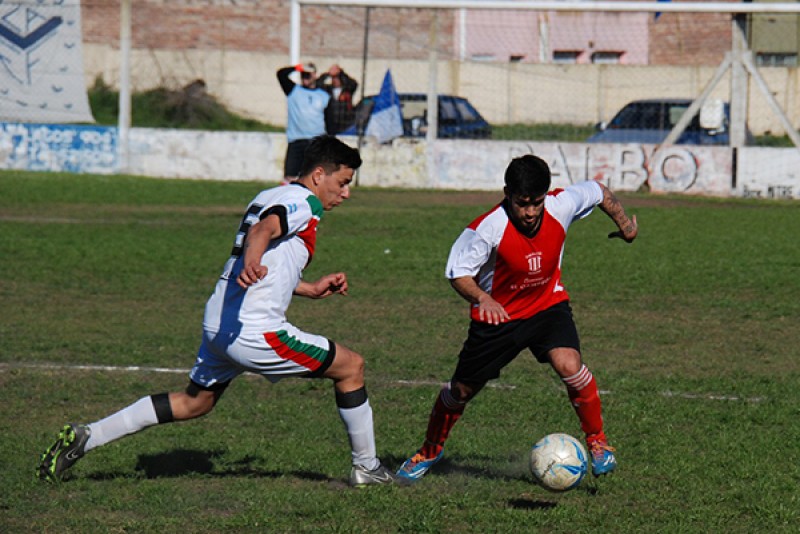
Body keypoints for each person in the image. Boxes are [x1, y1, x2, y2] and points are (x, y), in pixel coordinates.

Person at [37, 135, 396, 487]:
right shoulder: (305, 202)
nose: (346, 193)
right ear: (319, 175)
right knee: (351, 367)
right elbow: (263, 231)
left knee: (194, 403)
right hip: (255, 331)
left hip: (219, 323)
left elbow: (268, 260)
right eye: (343, 182)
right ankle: (367, 467)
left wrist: (309, 287)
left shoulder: (267, 195)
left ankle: (88, 435)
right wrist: (253, 260)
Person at [396, 154, 638, 483]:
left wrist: (626, 226)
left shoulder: (561, 205)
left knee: (570, 366)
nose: (530, 212)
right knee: (461, 391)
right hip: (499, 318)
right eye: (522, 203)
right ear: (507, 193)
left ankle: (599, 444)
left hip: (547, 306)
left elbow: (598, 191)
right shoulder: (487, 228)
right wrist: (483, 298)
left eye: (537, 202)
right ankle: (429, 451)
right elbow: (458, 273)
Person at [276, 63, 330, 184]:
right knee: (290, 177)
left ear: (314, 75)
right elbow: (281, 74)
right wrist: (297, 67)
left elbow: (329, 120)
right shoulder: (293, 90)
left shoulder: (324, 96)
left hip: (316, 141)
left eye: (308, 75)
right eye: (303, 75)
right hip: (296, 140)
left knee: (315, 177)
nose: (305, 78)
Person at [317, 64, 358, 135]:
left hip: (345, 126)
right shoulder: (327, 90)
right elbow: (317, 84)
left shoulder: (347, 89)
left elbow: (354, 83)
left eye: (337, 77)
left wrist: (341, 72)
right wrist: (327, 74)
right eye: (333, 78)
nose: (335, 80)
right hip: (330, 127)